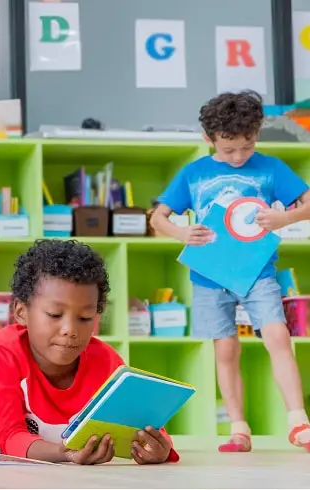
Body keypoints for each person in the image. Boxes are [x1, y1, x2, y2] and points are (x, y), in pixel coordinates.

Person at [151, 90, 310, 453]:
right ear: (209, 139)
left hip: (258, 271)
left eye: (247, 147)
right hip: (209, 273)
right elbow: (158, 217)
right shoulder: (194, 173)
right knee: (225, 349)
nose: (239, 157)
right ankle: (239, 429)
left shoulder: (271, 168)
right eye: (228, 150)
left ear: (256, 134)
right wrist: (180, 232)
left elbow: (308, 203)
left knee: (278, 337)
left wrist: (286, 217)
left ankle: (298, 422)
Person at [0, 239, 180, 464]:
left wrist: (159, 449)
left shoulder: (107, 362)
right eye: (55, 315)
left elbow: (146, 425)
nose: (70, 329)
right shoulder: (3, 347)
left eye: (85, 317)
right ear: (21, 312)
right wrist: (65, 453)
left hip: (7, 395)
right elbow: (7, 437)